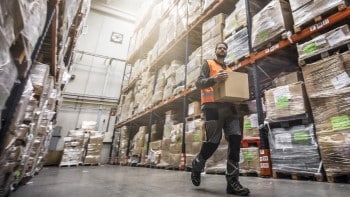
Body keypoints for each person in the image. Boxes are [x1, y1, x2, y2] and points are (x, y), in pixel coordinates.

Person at [191, 42, 250, 196]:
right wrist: (214, 79)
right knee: (213, 143)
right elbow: (199, 83)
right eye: (219, 48)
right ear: (216, 51)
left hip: (230, 109)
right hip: (212, 108)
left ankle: (232, 181)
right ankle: (197, 165)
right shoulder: (208, 64)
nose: (222, 49)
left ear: (227, 51)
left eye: (224, 48)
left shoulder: (230, 70)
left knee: (235, 141)